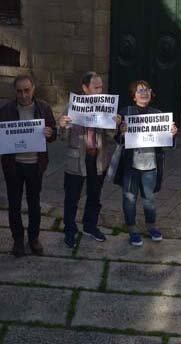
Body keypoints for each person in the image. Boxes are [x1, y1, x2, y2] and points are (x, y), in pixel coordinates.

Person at [0, 74, 57, 257]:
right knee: (14, 204)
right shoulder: (6, 110)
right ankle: (17, 240)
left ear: (33, 89)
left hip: (35, 164)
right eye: (19, 91)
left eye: (27, 90)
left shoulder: (44, 108)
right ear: (15, 92)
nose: (23, 95)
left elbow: (54, 133)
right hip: (13, 165)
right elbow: (0, 137)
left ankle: (33, 239)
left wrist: (50, 132)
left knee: (34, 204)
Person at [59, 71, 121, 249]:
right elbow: (63, 136)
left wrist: (114, 125)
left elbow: (110, 137)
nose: (100, 90)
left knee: (95, 195)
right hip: (77, 159)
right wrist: (62, 125)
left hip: (98, 158)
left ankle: (90, 226)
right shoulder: (72, 105)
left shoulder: (106, 105)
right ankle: (70, 230)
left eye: (101, 87)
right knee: (72, 197)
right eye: (96, 87)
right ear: (85, 88)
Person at [115, 80, 177, 246]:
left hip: (150, 164)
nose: (144, 93)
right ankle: (132, 229)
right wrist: (121, 131)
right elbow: (117, 139)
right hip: (131, 163)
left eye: (147, 90)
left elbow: (167, 142)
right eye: (140, 91)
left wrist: (172, 133)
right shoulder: (125, 112)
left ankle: (151, 226)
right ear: (133, 96)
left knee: (149, 198)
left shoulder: (158, 114)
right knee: (129, 198)